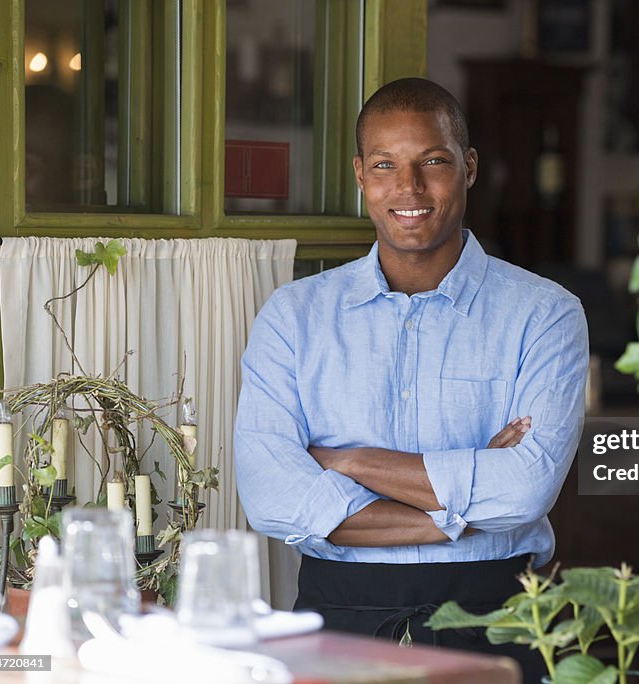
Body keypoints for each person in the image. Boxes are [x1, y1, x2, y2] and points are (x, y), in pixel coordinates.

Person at [234, 77, 588, 681]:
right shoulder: (293, 318)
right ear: (360, 174)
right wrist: (455, 507)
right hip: (334, 622)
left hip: (496, 620)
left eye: (433, 162)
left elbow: (524, 492)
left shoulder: (544, 313)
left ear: (469, 168)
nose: (409, 189)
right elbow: (272, 498)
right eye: (385, 165)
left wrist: (349, 460)